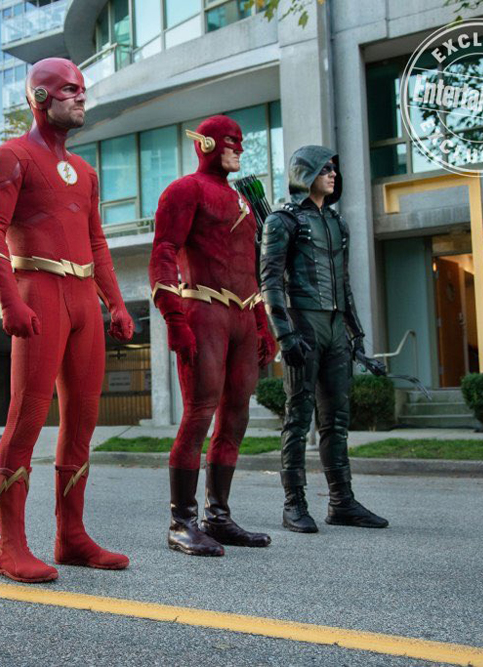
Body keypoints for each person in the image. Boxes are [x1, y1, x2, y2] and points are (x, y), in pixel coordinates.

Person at [0, 57, 134, 584]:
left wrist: (115, 302)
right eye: (69, 89)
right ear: (39, 98)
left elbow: (96, 242)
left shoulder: (85, 172)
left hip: (83, 298)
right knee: (26, 417)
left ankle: (71, 536)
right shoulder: (11, 156)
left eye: (82, 88)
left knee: (83, 421)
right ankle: (10, 547)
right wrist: (9, 301)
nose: (81, 96)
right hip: (39, 292)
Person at [149, 116, 277, 557]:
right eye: (230, 141)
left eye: (241, 141)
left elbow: (248, 268)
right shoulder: (185, 190)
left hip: (241, 315)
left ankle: (217, 516)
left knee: (236, 415)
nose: (239, 148)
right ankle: (181, 522)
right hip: (204, 310)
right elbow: (164, 251)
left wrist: (262, 322)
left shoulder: (242, 199)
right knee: (200, 413)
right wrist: (174, 318)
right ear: (205, 144)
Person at [259, 146, 388, 533]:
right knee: (298, 418)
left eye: (334, 168)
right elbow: (269, 281)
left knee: (337, 421)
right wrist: (285, 335)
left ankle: (342, 502)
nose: (333, 174)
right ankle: (293, 503)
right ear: (305, 173)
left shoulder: (336, 223)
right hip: (303, 323)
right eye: (325, 168)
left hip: (335, 327)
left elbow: (344, 284)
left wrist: (357, 335)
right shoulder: (282, 221)